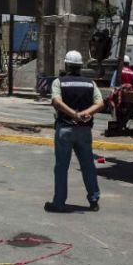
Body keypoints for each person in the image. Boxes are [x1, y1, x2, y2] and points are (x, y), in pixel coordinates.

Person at [44, 50, 104, 213]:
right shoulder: (90, 83)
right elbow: (100, 103)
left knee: (61, 167)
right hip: (84, 130)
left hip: (65, 128)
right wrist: (87, 113)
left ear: (67, 65)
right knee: (88, 166)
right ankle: (93, 200)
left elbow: (56, 101)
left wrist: (74, 114)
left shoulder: (59, 82)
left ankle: (59, 203)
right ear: (80, 66)